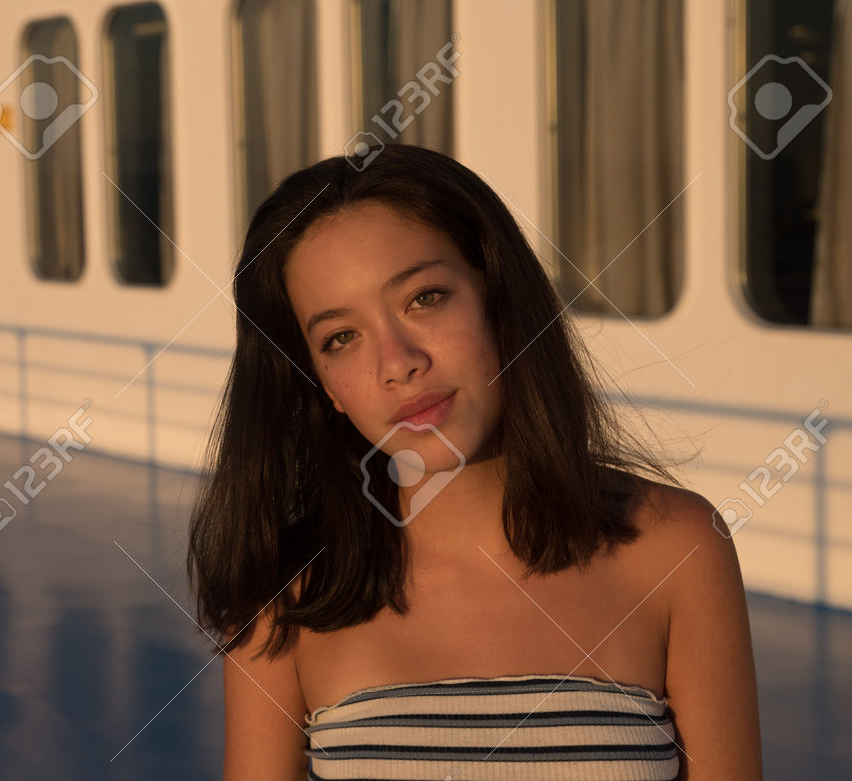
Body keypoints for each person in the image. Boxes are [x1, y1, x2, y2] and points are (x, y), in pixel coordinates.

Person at [187, 145, 762, 780]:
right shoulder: (285, 598)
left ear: (498, 297)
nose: (398, 363)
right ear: (323, 385)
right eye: (340, 337)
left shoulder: (679, 549)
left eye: (425, 297)